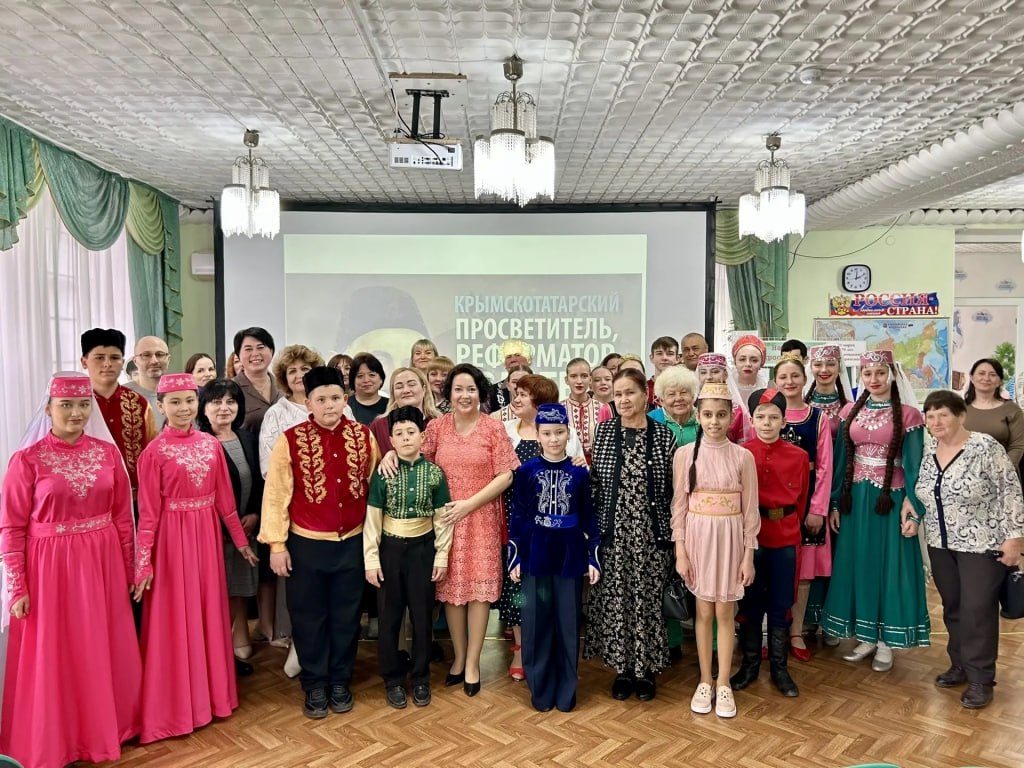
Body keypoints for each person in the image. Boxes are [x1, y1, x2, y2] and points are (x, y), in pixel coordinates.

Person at [0, 374, 142, 768]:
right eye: (66, 405)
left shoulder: (108, 455)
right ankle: (56, 738)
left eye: (83, 405)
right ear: (48, 409)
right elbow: (10, 528)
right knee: (56, 652)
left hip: (102, 563)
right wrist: (16, 586)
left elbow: (122, 518)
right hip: (49, 570)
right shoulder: (26, 460)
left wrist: (130, 570)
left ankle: (105, 730)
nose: (76, 413)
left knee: (100, 644)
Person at [134, 373, 258, 743]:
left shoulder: (210, 445)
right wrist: (143, 564)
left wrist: (241, 543)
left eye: (189, 400)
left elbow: (225, 502)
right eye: (175, 402)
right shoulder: (153, 453)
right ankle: (176, 706)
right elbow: (148, 516)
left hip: (207, 538)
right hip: (172, 543)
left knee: (208, 612)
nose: (184, 408)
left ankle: (212, 697)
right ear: (161, 405)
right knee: (175, 618)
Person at [381, 363, 518, 696]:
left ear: (480, 392)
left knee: (478, 594)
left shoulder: (493, 428)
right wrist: (389, 456)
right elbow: (413, 454)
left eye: (471, 389)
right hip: (443, 521)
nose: (464, 395)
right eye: (458, 389)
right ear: (448, 393)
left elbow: (506, 474)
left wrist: (470, 504)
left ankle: (473, 663)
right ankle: (458, 657)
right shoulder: (437, 427)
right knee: (451, 591)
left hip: (481, 518)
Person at [260, 366, 380, 719]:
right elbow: (276, 495)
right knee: (308, 616)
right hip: (306, 545)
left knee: (346, 616)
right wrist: (277, 545)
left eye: (335, 398)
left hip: (352, 544)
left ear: (345, 399)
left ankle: (340, 680)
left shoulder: (362, 436)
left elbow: (373, 486)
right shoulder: (291, 439)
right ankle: (314, 683)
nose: (329, 405)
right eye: (321, 399)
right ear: (308, 402)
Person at [821, 351, 930, 670]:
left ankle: (885, 642)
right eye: (867, 373)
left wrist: (913, 506)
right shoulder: (849, 411)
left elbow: (915, 465)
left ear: (892, 374)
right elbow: (841, 460)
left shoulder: (909, 415)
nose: (874, 379)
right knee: (860, 564)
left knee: (888, 566)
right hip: (856, 500)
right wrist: (835, 502)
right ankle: (866, 636)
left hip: (890, 500)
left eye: (880, 372)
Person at [917, 391, 1024, 709]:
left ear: (961, 415)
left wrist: (1014, 539)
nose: (936, 421)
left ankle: (981, 679)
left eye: (943, 414)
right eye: (930, 415)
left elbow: (1010, 491)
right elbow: (923, 490)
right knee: (953, 607)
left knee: (978, 610)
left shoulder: (984, 446)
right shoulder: (930, 449)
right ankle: (960, 664)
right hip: (940, 542)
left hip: (983, 544)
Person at [585, 368, 677, 702]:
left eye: (630, 393)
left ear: (645, 395)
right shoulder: (604, 431)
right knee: (615, 601)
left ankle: (646, 670)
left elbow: (671, 490)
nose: (623, 400)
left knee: (647, 602)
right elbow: (596, 483)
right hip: (612, 532)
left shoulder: (663, 435)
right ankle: (622, 670)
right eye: (618, 394)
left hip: (652, 534)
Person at [671, 381, 758, 718]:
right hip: (698, 540)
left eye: (721, 415)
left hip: (731, 540)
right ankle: (704, 679)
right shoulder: (684, 455)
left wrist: (748, 556)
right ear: (698, 416)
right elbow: (679, 507)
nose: (714, 421)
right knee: (703, 612)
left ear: (731, 416)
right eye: (707, 414)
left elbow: (750, 511)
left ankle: (724, 683)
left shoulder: (743, 456)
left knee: (725, 613)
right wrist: (681, 551)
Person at [508, 403, 601, 712]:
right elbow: (519, 516)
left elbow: (588, 517)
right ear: (538, 435)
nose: (553, 439)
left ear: (568, 433)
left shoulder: (579, 472)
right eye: (547, 433)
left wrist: (593, 556)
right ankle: (541, 688)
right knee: (536, 620)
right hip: (536, 553)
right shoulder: (526, 471)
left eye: (559, 433)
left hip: (569, 554)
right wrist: (515, 556)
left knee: (567, 621)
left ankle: (566, 690)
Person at [364, 406, 453, 709]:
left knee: (421, 616)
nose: (405, 438)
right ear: (390, 440)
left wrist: (441, 556)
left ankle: (421, 677)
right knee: (389, 617)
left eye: (411, 432)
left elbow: (442, 518)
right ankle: (392, 679)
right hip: (390, 550)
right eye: (399, 434)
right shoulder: (384, 473)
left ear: (422, 436)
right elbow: (373, 519)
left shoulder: (435, 473)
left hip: (423, 551)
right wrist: (371, 559)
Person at [500, 374, 585, 680]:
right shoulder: (505, 430)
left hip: (556, 528)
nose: (517, 398)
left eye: (524, 394)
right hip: (517, 518)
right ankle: (521, 646)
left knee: (549, 594)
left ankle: (549, 653)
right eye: (517, 393)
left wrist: (579, 465)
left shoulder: (562, 433)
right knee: (517, 590)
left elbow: (578, 469)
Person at [730, 388, 808, 698]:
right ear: (751, 420)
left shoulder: (799, 456)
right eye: (760, 417)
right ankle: (749, 665)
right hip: (751, 539)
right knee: (750, 603)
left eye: (773, 417)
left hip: (785, 536)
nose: (766, 423)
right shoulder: (741, 453)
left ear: (784, 421)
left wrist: (790, 526)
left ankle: (779, 668)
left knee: (781, 603)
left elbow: (801, 501)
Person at [257, 344, 329, 673]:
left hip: (336, 514)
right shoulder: (277, 414)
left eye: (305, 370)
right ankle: (299, 645)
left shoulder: (336, 404)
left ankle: (327, 646)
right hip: (296, 511)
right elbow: (269, 468)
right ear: (284, 378)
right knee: (301, 587)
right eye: (292, 371)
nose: (299, 376)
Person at [197, 379, 263, 675]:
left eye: (231, 401)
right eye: (216, 402)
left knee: (237, 590)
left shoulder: (247, 438)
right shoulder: (199, 442)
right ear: (203, 408)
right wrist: (228, 522)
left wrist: (255, 514)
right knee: (215, 595)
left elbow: (261, 482)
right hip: (213, 532)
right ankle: (214, 656)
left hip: (246, 529)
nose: (224, 408)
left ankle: (234, 643)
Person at [774, 353, 833, 661]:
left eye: (795, 376)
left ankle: (796, 631)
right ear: (775, 381)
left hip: (807, 499)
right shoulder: (768, 415)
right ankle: (771, 631)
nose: (789, 382)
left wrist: (817, 509)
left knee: (804, 572)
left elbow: (824, 466)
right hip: (775, 501)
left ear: (804, 378)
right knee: (772, 568)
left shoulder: (817, 418)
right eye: (783, 377)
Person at [80, 327, 157, 495]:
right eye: (99, 357)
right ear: (84, 362)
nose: (107, 364)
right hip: (88, 495)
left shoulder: (139, 404)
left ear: (122, 363)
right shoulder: (75, 404)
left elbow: (151, 452)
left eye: (114, 358)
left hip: (134, 496)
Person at [963, 358, 1024, 472]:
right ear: (972, 377)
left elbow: (1017, 446)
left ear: (999, 381)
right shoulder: (958, 408)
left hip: (1002, 473)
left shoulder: (1012, 410)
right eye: (981, 373)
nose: (986, 378)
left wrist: (1000, 471)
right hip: (963, 472)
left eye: (993, 375)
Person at [368, 367, 441, 453]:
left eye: (412, 385)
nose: (406, 390)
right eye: (399, 387)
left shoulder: (439, 424)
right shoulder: (379, 426)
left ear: (424, 389)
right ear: (393, 393)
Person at [232, 327, 280, 432]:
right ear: (238, 355)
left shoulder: (284, 385)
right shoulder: (231, 388)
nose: (255, 354)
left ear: (271, 351)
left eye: (260, 347)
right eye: (248, 349)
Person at [805, 344, 852, 440]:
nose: (824, 370)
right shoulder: (802, 406)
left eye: (831, 364)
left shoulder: (850, 409)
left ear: (839, 367)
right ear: (811, 367)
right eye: (817, 365)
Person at [728, 335, 767, 444]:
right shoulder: (726, 389)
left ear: (762, 363)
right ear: (735, 361)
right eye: (742, 359)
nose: (748, 364)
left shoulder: (767, 390)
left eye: (754, 360)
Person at [650, 365, 699, 447]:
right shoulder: (651, 420)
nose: (678, 398)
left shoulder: (704, 419)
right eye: (671, 394)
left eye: (683, 392)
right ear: (661, 400)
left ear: (693, 396)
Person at [562, 358, 600, 461]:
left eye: (584, 376)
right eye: (573, 376)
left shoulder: (602, 408)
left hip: (597, 464)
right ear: (566, 380)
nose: (579, 381)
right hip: (568, 464)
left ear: (590, 379)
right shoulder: (559, 410)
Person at [488, 340, 534, 413]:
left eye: (517, 355)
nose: (512, 360)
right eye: (508, 357)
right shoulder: (492, 391)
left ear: (528, 359)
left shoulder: (543, 388)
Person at [129, 336, 171, 414]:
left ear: (168, 359)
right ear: (135, 361)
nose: (154, 361)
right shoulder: (120, 396)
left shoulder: (181, 393)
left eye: (160, 355)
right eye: (146, 355)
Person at [349, 352, 389, 425]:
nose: (366, 380)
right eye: (360, 376)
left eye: (372, 375)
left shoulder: (391, 406)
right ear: (353, 380)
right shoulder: (345, 406)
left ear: (381, 379)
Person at [647, 336, 679, 406]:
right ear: (651, 358)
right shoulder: (643, 388)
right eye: (659, 353)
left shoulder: (683, 387)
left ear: (677, 358)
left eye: (670, 354)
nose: (664, 358)